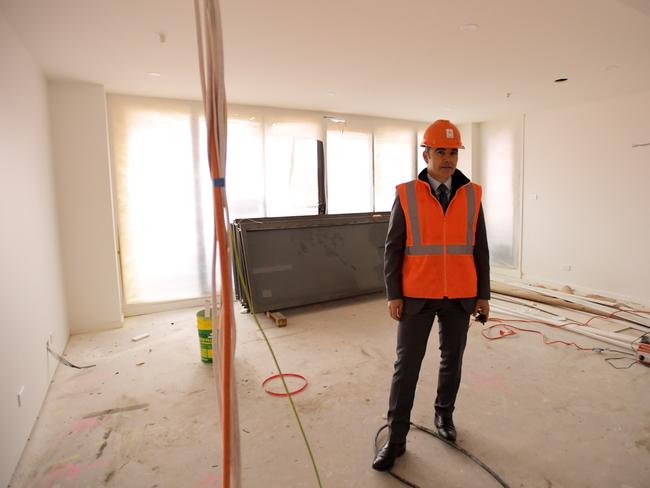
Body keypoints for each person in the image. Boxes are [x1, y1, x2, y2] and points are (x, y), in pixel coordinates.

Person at [372, 119, 490, 471]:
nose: (448, 158)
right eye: (441, 151)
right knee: (406, 367)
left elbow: (479, 248)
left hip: (459, 295)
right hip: (416, 296)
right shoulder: (407, 194)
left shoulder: (472, 194)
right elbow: (392, 248)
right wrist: (394, 293)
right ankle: (395, 440)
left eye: (453, 152)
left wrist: (482, 294)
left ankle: (444, 417)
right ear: (426, 154)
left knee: (451, 361)